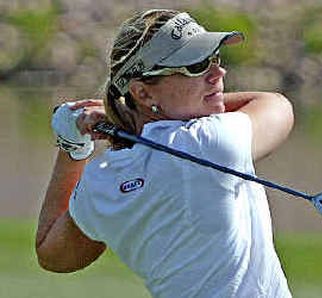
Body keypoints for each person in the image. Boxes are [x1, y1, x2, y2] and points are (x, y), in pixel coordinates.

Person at [35, 9, 294, 298]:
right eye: (195, 65)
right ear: (143, 93)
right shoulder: (212, 142)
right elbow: (276, 104)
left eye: (213, 58)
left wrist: (73, 144)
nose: (217, 73)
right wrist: (123, 115)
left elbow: (52, 255)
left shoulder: (102, 180)